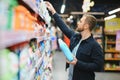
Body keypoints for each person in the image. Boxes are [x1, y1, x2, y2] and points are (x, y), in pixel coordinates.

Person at [45, 1, 104, 80]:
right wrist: (53, 11)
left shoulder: (94, 46)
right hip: (71, 76)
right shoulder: (75, 37)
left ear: (86, 26)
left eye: (80, 21)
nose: (78, 23)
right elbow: (63, 27)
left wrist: (78, 63)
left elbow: (98, 66)